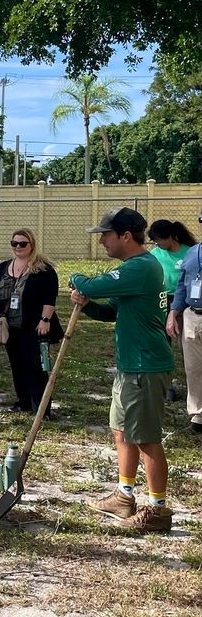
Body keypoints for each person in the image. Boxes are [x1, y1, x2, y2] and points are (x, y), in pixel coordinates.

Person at [70, 207, 175, 532]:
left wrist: (78, 281)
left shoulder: (141, 267)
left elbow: (91, 283)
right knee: (122, 431)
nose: (102, 241)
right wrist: (89, 308)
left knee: (146, 439)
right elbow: (110, 311)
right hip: (131, 366)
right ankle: (123, 495)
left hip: (145, 367)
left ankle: (158, 510)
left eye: (106, 235)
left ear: (125, 236)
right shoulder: (137, 270)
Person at [0, 229, 63, 416]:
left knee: (35, 366)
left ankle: (42, 408)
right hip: (9, 325)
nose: (18, 247)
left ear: (32, 245)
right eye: (14, 244)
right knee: (17, 364)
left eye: (22, 244)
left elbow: (49, 297)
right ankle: (24, 401)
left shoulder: (43, 269)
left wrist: (45, 320)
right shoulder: (4, 267)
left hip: (33, 326)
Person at [149, 219, 196, 404]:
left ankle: (194, 387)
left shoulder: (189, 252)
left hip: (183, 304)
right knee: (162, 345)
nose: (156, 244)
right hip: (162, 301)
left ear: (169, 237)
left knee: (187, 346)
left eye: (158, 239)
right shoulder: (155, 254)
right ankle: (167, 386)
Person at [166, 208, 202, 435]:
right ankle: (198, 415)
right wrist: (173, 312)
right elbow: (181, 285)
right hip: (191, 314)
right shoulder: (192, 252)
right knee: (193, 368)